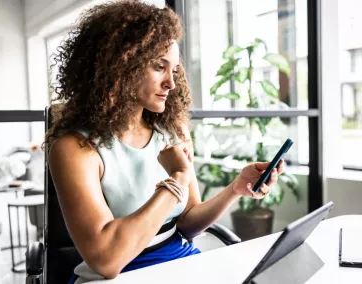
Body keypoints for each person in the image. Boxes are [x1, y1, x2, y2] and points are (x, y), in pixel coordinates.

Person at [44, 1, 285, 283]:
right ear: (120, 66)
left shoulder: (172, 132)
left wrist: (235, 189)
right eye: (159, 66)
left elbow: (187, 223)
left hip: (178, 263)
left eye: (174, 70)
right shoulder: (75, 149)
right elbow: (106, 260)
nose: (171, 83)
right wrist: (177, 179)